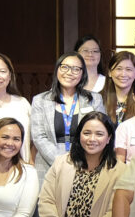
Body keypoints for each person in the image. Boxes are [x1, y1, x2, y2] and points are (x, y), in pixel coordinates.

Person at [30, 51, 104, 180]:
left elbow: (100, 132)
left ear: (82, 73)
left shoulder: (94, 99)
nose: (69, 72)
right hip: (49, 165)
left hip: (86, 164)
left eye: (76, 69)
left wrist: (80, 162)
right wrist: (62, 163)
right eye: (65, 67)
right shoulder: (40, 100)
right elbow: (39, 137)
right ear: (57, 70)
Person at [100, 50, 135, 124]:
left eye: (128, 69)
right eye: (119, 69)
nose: (123, 74)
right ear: (109, 72)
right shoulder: (98, 99)